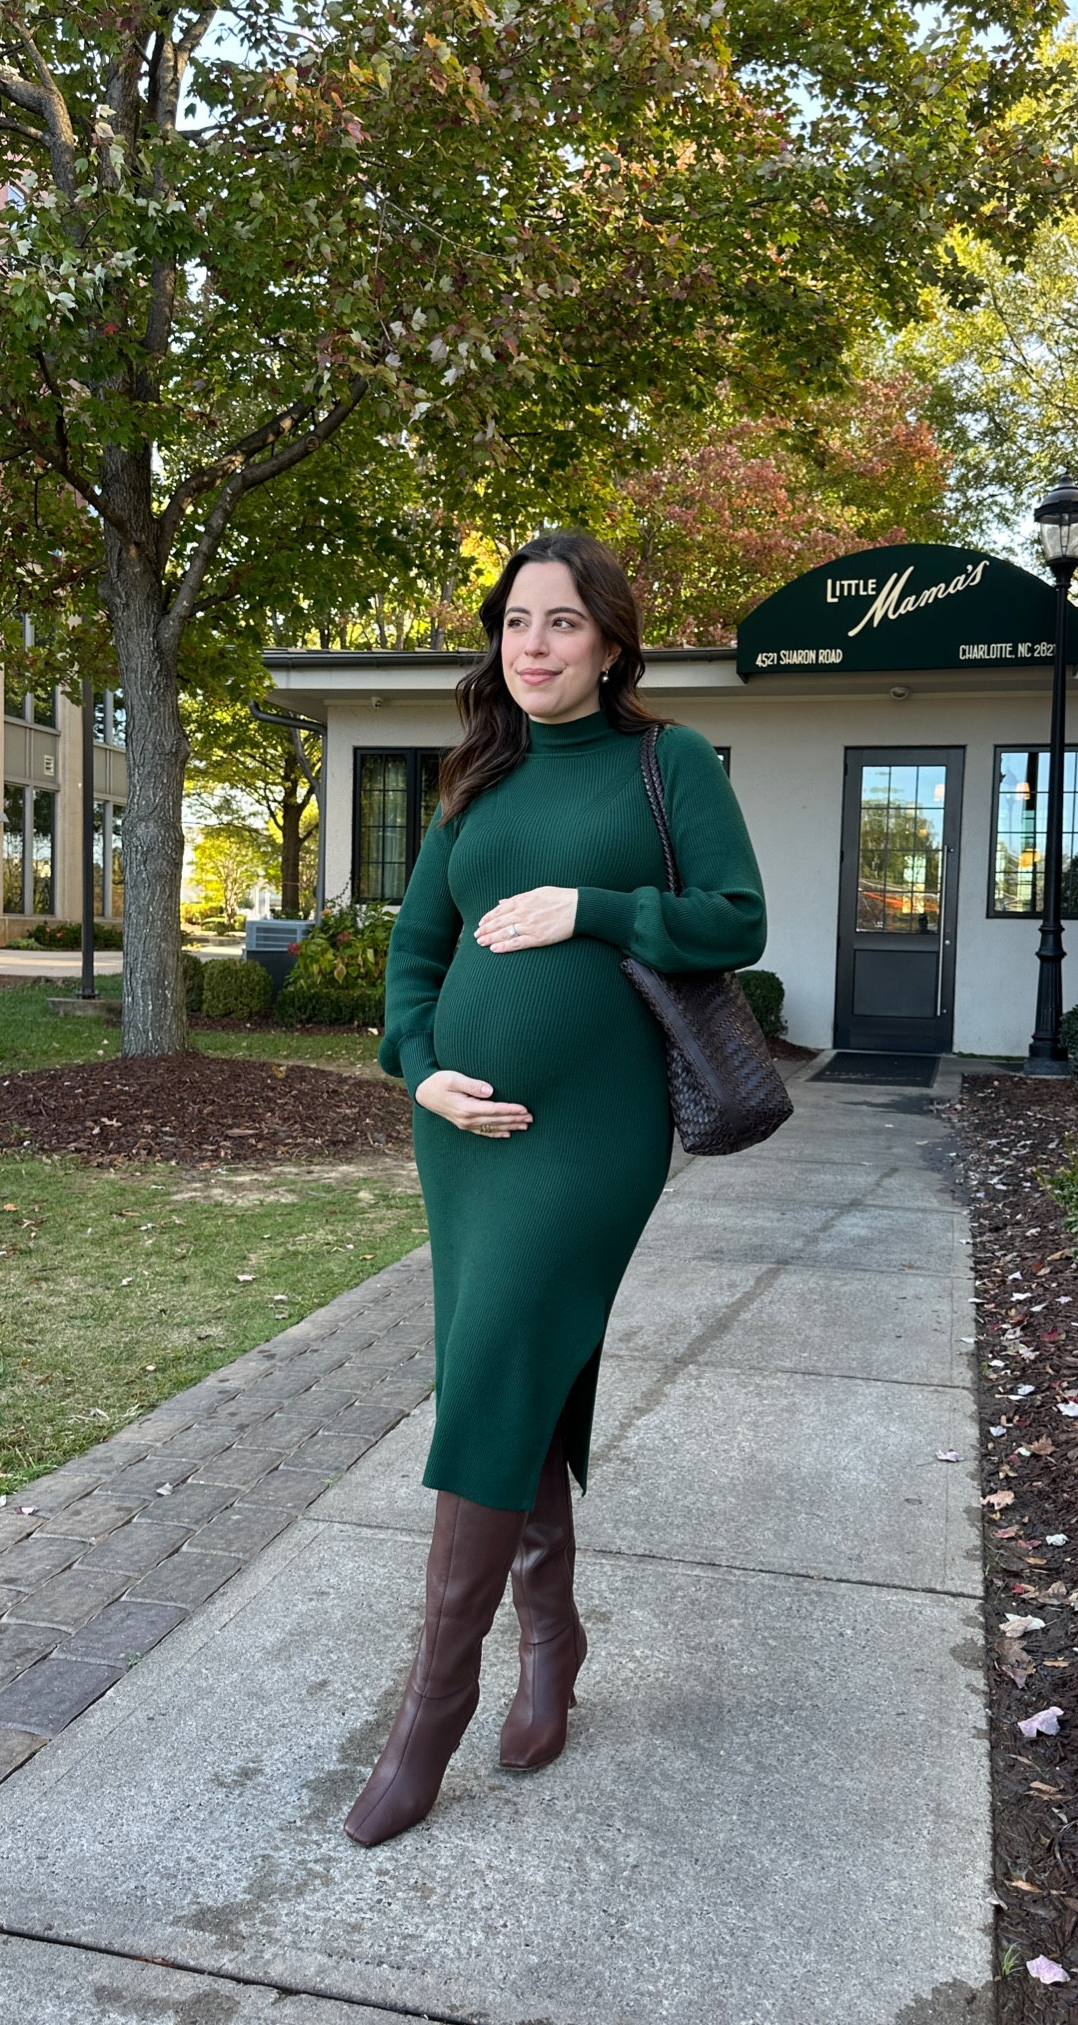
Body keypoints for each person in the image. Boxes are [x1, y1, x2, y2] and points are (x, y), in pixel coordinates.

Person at [344, 531, 767, 1847]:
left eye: (564, 624)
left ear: (611, 641)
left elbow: (737, 919)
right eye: (517, 622)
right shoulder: (478, 782)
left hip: (592, 1137)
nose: (534, 646)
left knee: (494, 1366)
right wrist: (421, 1071)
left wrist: (595, 906)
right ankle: (553, 1636)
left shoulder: (667, 763)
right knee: (518, 1368)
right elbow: (414, 960)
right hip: (463, 1141)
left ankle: (431, 1714)